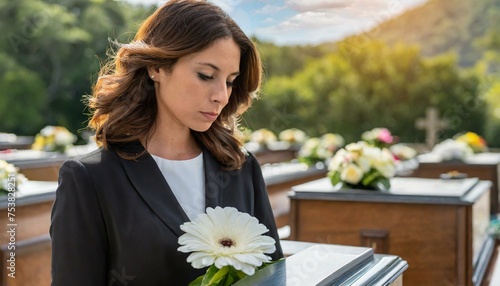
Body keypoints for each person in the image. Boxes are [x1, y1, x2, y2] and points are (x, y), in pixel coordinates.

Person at [49, 0, 284, 285]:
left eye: (230, 81)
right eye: (206, 76)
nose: (221, 95)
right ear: (156, 67)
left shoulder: (241, 166)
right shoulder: (90, 179)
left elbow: (271, 275)